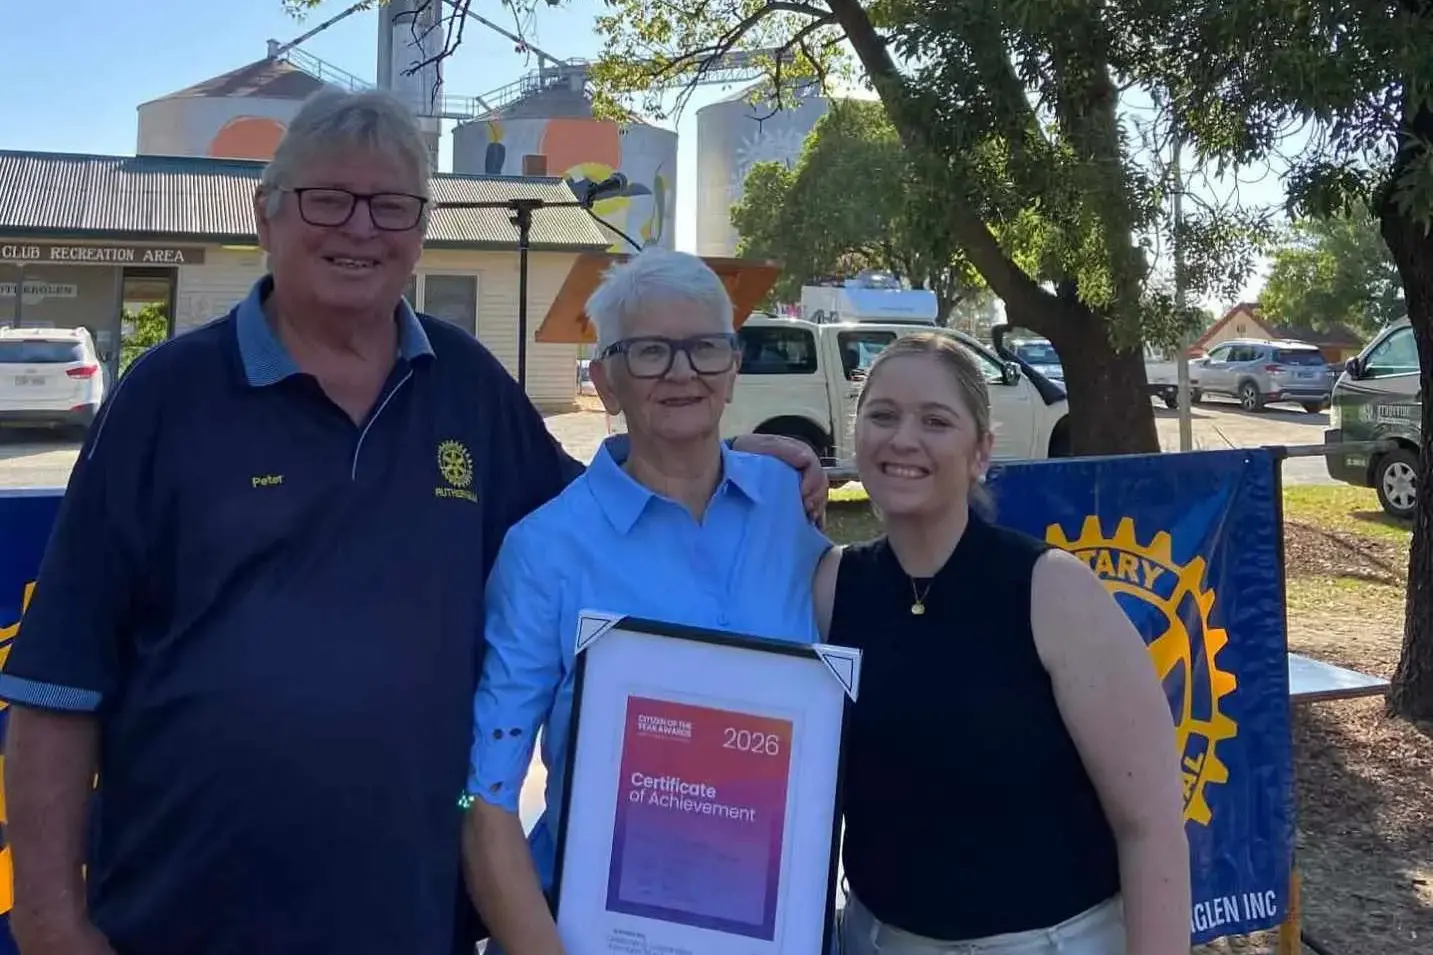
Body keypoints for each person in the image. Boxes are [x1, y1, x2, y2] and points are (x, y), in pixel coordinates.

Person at [0, 88, 825, 955]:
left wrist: (736, 462)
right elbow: (56, 677)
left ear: (421, 228)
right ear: (265, 217)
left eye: (392, 205)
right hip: (189, 915)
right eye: (329, 199)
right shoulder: (164, 399)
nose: (361, 228)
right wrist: (51, 919)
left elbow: (607, 518)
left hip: (411, 915)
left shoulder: (466, 387)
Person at [461, 249, 832, 955]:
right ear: (604, 378)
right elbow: (486, 800)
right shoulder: (544, 551)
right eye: (650, 351)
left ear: (732, 367)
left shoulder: (789, 507)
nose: (682, 371)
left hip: (775, 925)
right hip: (594, 930)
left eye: (704, 348)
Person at [812, 332, 1190, 955]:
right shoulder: (832, 586)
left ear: (981, 451)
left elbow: (1149, 828)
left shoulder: (1053, 592)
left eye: (936, 421)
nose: (904, 438)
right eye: (883, 415)